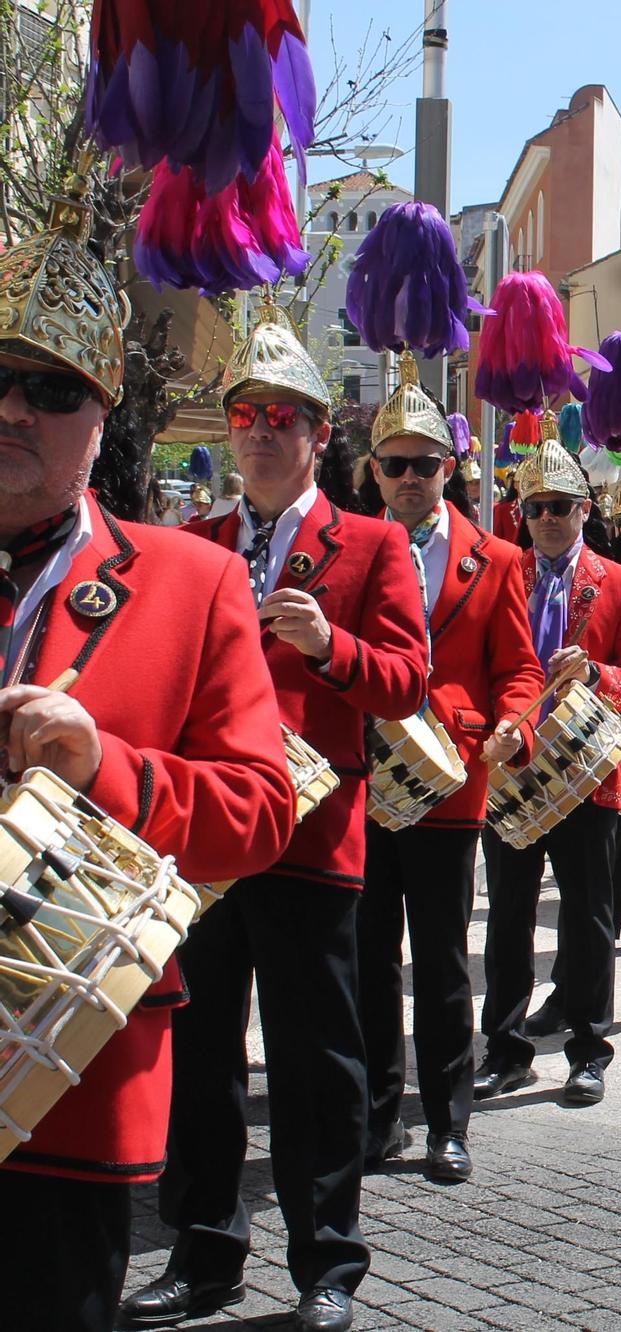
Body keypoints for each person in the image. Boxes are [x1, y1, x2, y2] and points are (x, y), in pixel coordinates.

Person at [0, 197, 293, 1332]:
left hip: (62, 1059)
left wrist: (103, 767)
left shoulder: (192, 580)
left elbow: (259, 812)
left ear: (101, 413)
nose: (15, 408)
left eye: (53, 389)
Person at [151, 301, 430, 1332]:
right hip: (206, 841)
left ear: (321, 434)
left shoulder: (371, 545)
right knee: (203, 1055)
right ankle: (205, 1251)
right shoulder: (192, 544)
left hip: (315, 843)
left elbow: (404, 686)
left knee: (320, 1064)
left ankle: (327, 1267)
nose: (262, 429)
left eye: (284, 414)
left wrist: (329, 648)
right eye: (246, 414)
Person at [356, 361, 541, 1186]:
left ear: (450, 469)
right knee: (363, 957)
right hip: (358, 779)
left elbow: (521, 668)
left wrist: (514, 726)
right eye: (393, 463)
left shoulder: (495, 558)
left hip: (451, 778)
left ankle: (447, 1122)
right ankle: (372, 1116)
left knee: (438, 961)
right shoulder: (345, 546)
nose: (407, 478)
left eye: (423, 463)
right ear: (373, 471)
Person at [475, 437, 621, 1110]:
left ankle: (587, 1049)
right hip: (514, 771)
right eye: (535, 507)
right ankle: (506, 1048)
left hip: (586, 776)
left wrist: (597, 673)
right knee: (507, 918)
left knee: (589, 919)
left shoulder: (620, 582)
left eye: (561, 507)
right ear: (521, 512)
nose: (547, 518)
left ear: (585, 511)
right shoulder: (498, 574)